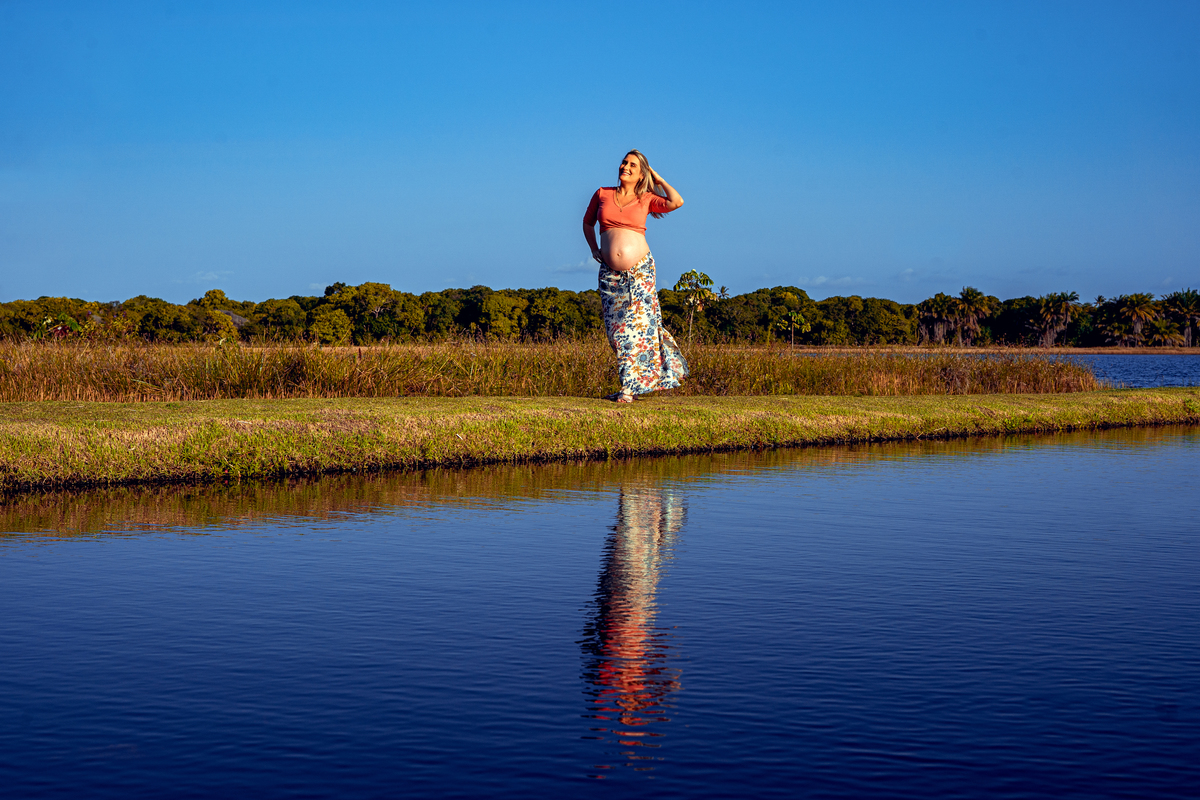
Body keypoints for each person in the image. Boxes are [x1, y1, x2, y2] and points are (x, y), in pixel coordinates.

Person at [582, 150, 689, 403]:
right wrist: (593, 248)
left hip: (640, 271)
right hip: (610, 273)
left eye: (632, 165)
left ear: (642, 173)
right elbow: (587, 223)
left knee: (637, 328)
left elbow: (676, 202)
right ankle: (635, 381)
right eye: (624, 162)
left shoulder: (647, 198)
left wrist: (658, 178)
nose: (625, 166)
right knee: (616, 331)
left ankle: (628, 388)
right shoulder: (602, 194)